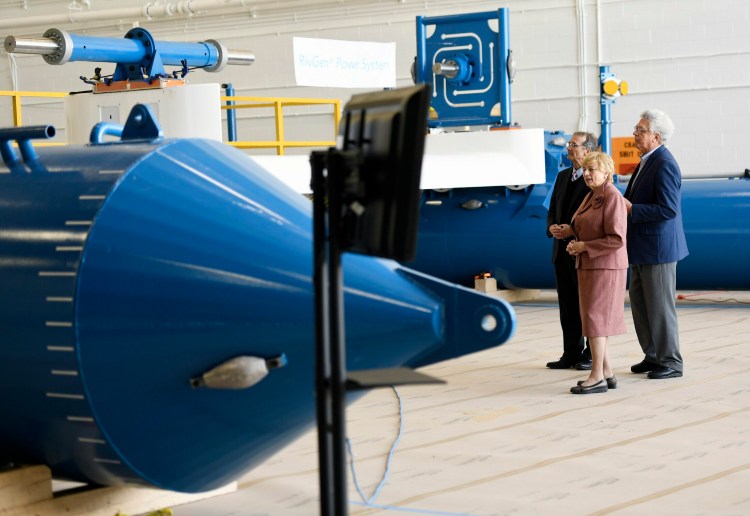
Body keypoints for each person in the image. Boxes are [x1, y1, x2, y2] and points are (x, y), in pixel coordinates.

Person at [623, 110, 689, 379]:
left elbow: (668, 209)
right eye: (636, 128)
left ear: (656, 136)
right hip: (641, 247)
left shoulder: (664, 163)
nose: (635, 134)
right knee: (641, 305)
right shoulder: (646, 161)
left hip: (658, 249)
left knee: (660, 308)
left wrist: (632, 209)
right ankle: (652, 355)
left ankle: (671, 361)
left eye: (640, 130)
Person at [565, 152, 628, 394]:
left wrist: (584, 247)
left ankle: (597, 377)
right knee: (594, 319)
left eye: (593, 169)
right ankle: (607, 373)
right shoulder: (593, 196)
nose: (588, 174)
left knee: (596, 319)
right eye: (586, 169)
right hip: (591, 266)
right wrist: (570, 231)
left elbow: (616, 238)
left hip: (605, 266)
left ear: (606, 173)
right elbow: (588, 225)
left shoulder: (612, 196)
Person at [545, 132, 597, 370]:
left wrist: (572, 230)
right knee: (567, 306)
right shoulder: (563, 176)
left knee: (587, 305)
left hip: (582, 251)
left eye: (573, 145)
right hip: (560, 251)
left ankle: (590, 354)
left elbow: (595, 215)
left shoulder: (594, 179)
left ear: (587, 151)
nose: (568, 148)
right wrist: (552, 227)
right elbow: (553, 208)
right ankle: (571, 352)